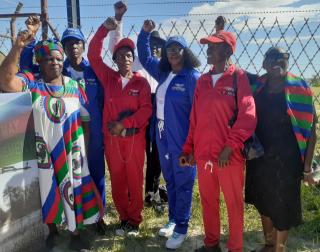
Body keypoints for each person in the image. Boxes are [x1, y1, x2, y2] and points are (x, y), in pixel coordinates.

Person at [0, 18, 100, 251]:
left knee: (74, 189)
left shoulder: (76, 88)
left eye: (58, 58)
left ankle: (77, 234)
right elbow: (5, 81)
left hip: (72, 153)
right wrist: (19, 45)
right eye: (48, 59)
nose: (54, 63)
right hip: (43, 154)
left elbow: (86, 120)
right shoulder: (32, 86)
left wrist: (82, 147)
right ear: (39, 62)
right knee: (47, 191)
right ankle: (52, 233)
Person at [180, 31, 257, 252]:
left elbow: (248, 116)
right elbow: (194, 119)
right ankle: (211, 243)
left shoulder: (238, 78)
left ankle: (235, 248)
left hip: (228, 157)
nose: (208, 50)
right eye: (208, 46)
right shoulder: (203, 81)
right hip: (204, 155)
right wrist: (189, 149)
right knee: (208, 201)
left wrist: (230, 147)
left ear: (227, 51)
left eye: (214, 47)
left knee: (233, 205)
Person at [245, 47, 317, 252]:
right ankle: (269, 244)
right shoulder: (256, 86)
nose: (276, 61)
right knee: (263, 200)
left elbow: (312, 132)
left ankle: (279, 248)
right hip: (259, 157)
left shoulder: (300, 88)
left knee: (284, 206)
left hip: (288, 159)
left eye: (282, 57)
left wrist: (307, 169)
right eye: (271, 57)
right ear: (264, 64)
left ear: (288, 61)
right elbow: (232, 71)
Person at [137, 20, 201, 249]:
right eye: (169, 49)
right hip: (162, 134)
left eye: (177, 49)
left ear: (185, 53)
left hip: (183, 138)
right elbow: (144, 58)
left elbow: (199, 113)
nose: (173, 53)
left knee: (184, 181)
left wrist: (192, 145)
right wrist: (144, 34)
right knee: (171, 180)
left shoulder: (193, 78)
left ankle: (182, 227)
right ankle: (173, 219)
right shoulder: (163, 73)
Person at [88, 17, 152, 237]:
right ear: (114, 59)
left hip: (134, 139)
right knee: (117, 179)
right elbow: (93, 56)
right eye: (121, 55)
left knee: (134, 178)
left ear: (133, 59)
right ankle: (123, 217)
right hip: (113, 141)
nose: (125, 58)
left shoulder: (141, 82)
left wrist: (124, 124)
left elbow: (146, 110)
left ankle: (134, 220)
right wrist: (103, 30)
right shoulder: (108, 77)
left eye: (129, 55)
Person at [108, 1, 167, 207]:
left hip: (158, 107)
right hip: (139, 108)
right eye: (153, 45)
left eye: (160, 46)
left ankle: (152, 191)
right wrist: (119, 19)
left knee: (157, 153)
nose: (156, 49)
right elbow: (115, 44)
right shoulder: (135, 62)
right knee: (138, 153)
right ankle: (134, 193)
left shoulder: (164, 66)